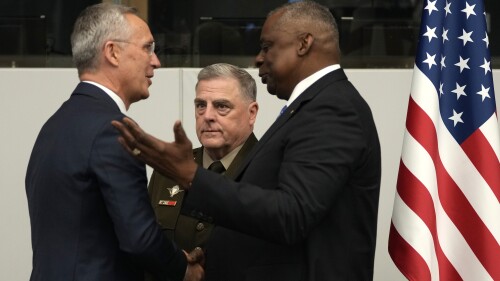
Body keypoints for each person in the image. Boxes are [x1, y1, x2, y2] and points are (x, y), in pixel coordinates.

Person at [113, 1, 381, 280]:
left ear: (304, 44)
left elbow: (291, 216)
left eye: (267, 47)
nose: (258, 59)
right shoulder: (314, 105)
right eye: (200, 105)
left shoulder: (332, 108)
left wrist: (190, 175)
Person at [25, 3, 203, 281]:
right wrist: (184, 270)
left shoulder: (54, 126)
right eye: (147, 48)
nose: (156, 61)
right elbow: (140, 238)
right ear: (113, 52)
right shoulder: (113, 132)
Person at [148, 63, 258, 255]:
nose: (207, 116)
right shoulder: (169, 170)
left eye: (221, 106)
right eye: (200, 105)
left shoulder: (268, 168)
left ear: (251, 113)